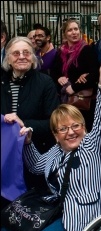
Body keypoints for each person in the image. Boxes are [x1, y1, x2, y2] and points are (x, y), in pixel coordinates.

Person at [0, 50, 101, 231]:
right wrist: (27, 141)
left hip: (84, 216)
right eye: (63, 129)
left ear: (84, 128)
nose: (71, 132)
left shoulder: (93, 146)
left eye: (76, 125)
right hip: (56, 208)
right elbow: (36, 165)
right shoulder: (56, 150)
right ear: (55, 135)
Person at [1, 36, 60, 206]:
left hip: (35, 154)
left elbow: (54, 122)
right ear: (8, 59)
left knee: (30, 204)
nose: (21, 56)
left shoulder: (45, 82)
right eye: (16, 53)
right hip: (6, 155)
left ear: (33, 57)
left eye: (26, 53)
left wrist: (24, 124)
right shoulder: (2, 82)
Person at [50, 19, 99, 132]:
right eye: (70, 30)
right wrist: (59, 78)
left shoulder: (87, 50)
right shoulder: (61, 51)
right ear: (65, 34)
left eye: (76, 29)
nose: (74, 32)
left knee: (83, 130)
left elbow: (95, 74)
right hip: (64, 99)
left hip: (83, 101)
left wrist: (74, 88)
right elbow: (53, 72)